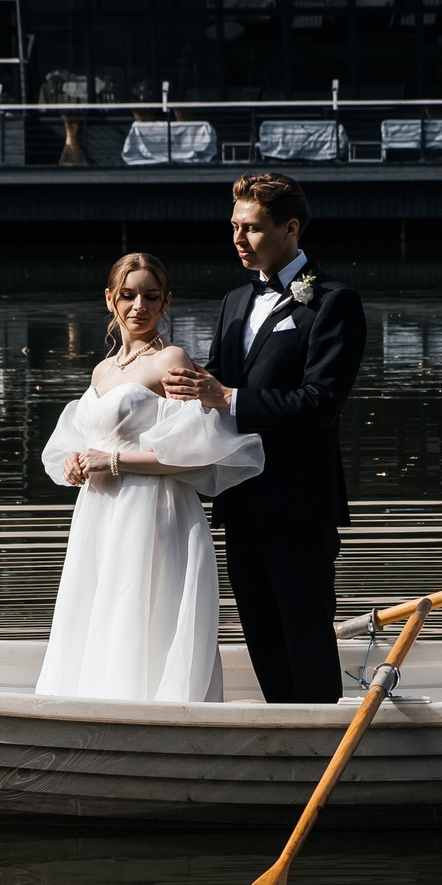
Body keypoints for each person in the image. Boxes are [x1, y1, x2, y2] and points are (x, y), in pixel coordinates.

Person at [162, 173, 367, 705]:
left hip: (300, 505)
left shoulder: (333, 302)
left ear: (290, 228)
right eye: (234, 226)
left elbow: (321, 403)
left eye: (251, 228)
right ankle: (285, 743)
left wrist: (228, 397)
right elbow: (216, 379)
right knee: (262, 639)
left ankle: (322, 745)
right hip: (240, 500)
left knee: (307, 640)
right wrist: (179, 389)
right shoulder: (234, 301)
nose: (237, 239)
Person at [36, 253, 265, 702]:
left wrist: (115, 463)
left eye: (150, 296)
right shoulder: (102, 370)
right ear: (110, 299)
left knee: (144, 607)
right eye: (128, 294)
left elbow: (196, 454)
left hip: (153, 509)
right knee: (100, 606)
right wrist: (76, 461)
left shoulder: (172, 360)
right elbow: (89, 438)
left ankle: (154, 708)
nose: (138, 305)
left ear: (166, 302)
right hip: (100, 511)